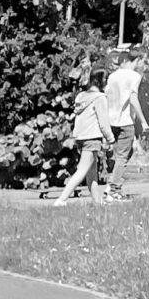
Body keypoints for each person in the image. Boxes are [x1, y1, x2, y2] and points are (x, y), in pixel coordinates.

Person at [48, 66, 112, 206]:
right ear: (100, 81)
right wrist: (110, 139)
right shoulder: (100, 98)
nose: (107, 83)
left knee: (91, 173)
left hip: (81, 137)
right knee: (82, 170)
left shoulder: (81, 96)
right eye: (106, 80)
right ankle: (62, 200)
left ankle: (98, 202)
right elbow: (104, 123)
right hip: (92, 138)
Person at [101, 45, 149, 198]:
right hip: (125, 121)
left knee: (124, 153)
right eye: (143, 62)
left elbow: (107, 96)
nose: (143, 66)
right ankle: (113, 191)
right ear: (137, 60)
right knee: (123, 156)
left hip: (112, 120)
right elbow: (133, 99)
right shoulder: (134, 76)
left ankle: (112, 182)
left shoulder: (113, 76)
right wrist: (143, 121)